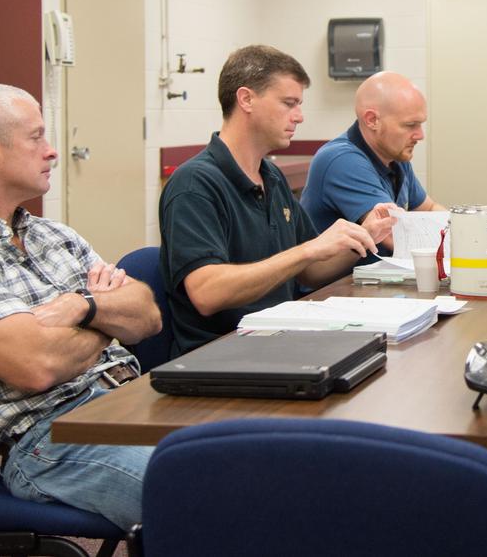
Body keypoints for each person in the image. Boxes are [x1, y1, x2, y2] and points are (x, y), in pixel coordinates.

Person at [0, 84, 162, 530]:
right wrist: (107, 318)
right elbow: (38, 365)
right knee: (212, 492)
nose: (53, 151)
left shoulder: (53, 235)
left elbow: (147, 315)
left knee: (270, 464)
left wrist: (81, 307)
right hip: (52, 438)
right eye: (37, 137)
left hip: (129, 399)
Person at [160, 45, 395, 356]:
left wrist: (361, 239)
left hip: (276, 342)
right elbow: (207, 292)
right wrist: (308, 249)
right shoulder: (194, 185)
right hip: (220, 354)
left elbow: (309, 272)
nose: (299, 116)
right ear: (246, 99)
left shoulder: (270, 176)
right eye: (289, 103)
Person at [301, 71, 446, 254]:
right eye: (410, 125)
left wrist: (456, 231)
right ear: (372, 120)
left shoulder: (394, 155)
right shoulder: (342, 160)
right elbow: (396, 237)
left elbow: (430, 208)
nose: (420, 135)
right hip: (339, 282)